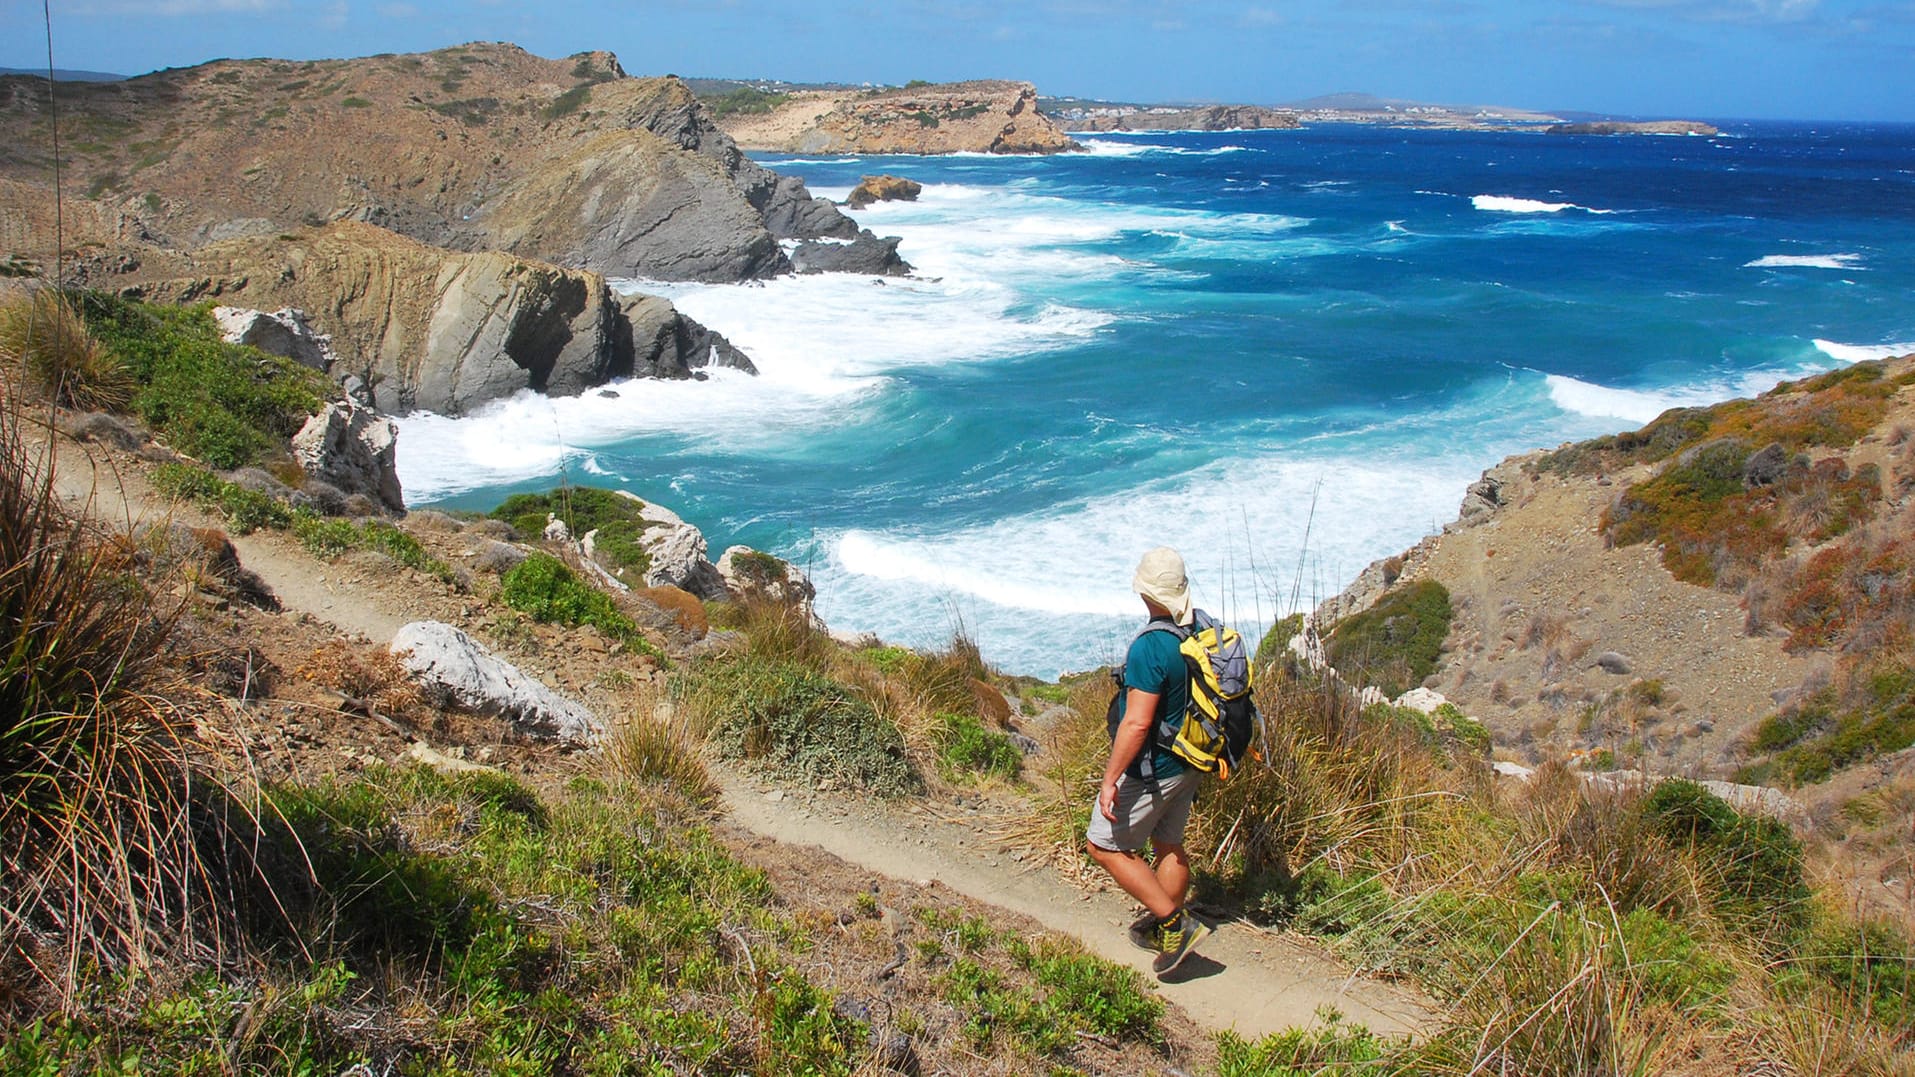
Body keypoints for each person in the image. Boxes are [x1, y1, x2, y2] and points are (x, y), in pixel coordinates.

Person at [1086, 546, 1213, 977]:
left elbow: (1136, 724)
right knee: (1167, 844)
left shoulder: (1150, 647)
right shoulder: (1198, 629)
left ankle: (1177, 923)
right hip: (1190, 761)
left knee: (1103, 845)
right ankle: (1169, 929)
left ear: (1145, 592)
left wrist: (1110, 780)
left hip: (1154, 769)